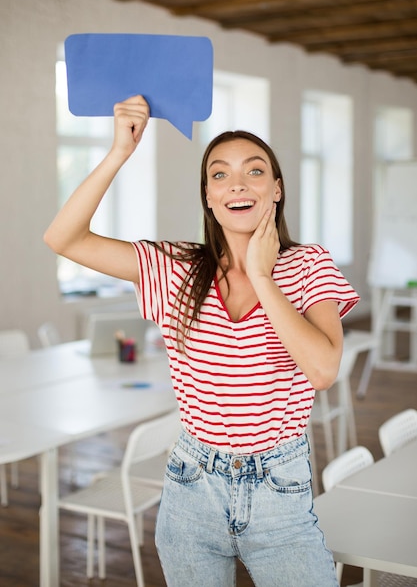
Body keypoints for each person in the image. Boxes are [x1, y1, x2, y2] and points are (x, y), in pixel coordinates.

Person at [44, 94, 359, 586]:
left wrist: (261, 274)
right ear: (208, 197)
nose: (237, 182)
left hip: (280, 487)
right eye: (219, 174)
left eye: (255, 171)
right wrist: (118, 154)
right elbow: (64, 238)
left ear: (276, 189)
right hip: (193, 486)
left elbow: (321, 369)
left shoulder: (309, 265)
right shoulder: (178, 268)